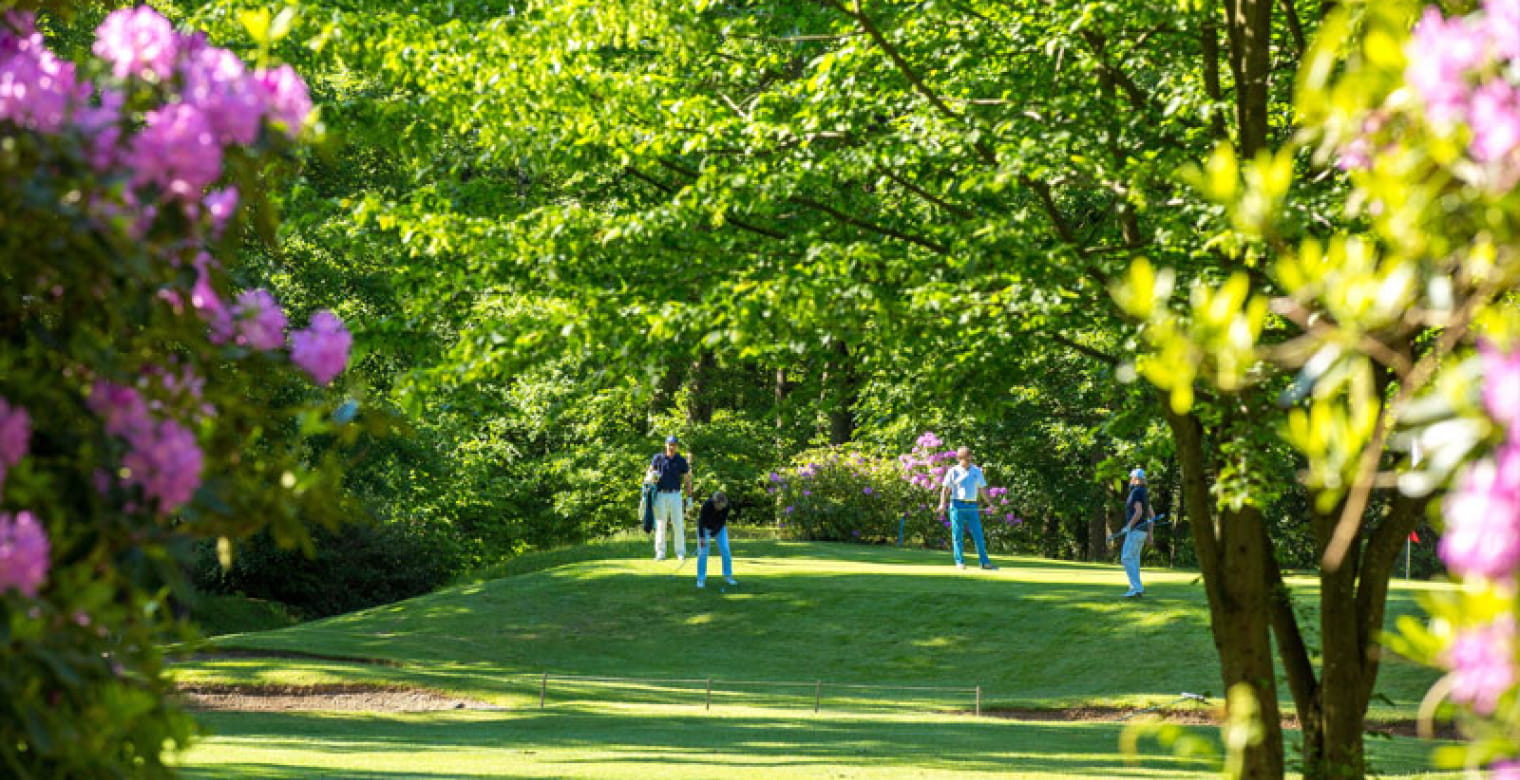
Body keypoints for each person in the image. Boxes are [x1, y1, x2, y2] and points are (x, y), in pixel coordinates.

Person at [935, 446, 998, 571]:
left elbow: (982, 489)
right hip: (957, 505)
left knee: (978, 535)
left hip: (972, 506)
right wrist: (942, 504)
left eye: (970, 457)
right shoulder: (953, 471)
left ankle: (984, 562)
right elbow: (945, 489)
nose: (969, 459)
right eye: (966, 457)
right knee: (957, 535)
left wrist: (990, 504)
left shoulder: (976, 471)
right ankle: (960, 562)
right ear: (959, 458)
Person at [647, 434, 691, 561]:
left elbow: (687, 479)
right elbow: (649, 472)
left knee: (678, 523)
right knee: (661, 524)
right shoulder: (658, 458)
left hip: (675, 494)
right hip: (660, 494)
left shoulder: (680, 460)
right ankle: (660, 552)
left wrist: (689, 497)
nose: (672, 447)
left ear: (677, 446)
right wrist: (651, 476)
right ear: (665, 445)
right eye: (670, 444)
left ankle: (680, 552)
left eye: (674, 445)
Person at [1119, 467, 1156, 598]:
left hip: (1135, 531)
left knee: (1127, 558)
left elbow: (1139, 512)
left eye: (1131, 478)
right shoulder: (1144, 493)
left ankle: (1136, 588)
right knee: (1134, 559)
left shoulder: (1135, 493)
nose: (1130, 480)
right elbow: (1152, 515)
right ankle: (1136, 588)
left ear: (1135, 479)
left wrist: (1129, 526)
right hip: (1142, 531)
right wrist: (1150, 534)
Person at [695, 491, 737, 589]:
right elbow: (701, 522)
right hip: (704, 528)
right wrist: (702, 538)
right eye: (720, 506)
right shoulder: (707, 505)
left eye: (723, 506)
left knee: (725, 549)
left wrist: (712, 534)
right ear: (715, 503)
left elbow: (722, 522)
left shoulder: (726, 506)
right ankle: (701, 579)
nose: (721, 508)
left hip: (719, 528)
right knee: (703, 553)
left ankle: (728, 576)